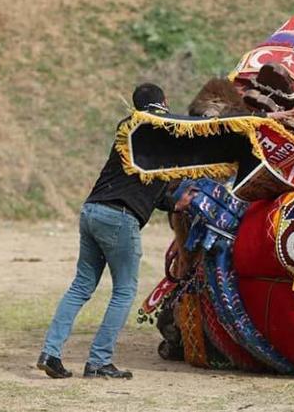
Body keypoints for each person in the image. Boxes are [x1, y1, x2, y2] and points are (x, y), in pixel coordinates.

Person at [37, 83, 182, 380]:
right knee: (124, 290)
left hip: (92, 210)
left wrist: (175, 203)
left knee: (80, 287)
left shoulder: (127, 129)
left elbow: (152, 191)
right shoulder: (165, 131)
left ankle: (50, 352)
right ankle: (99, 361)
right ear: (164, 103)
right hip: (120, 217)